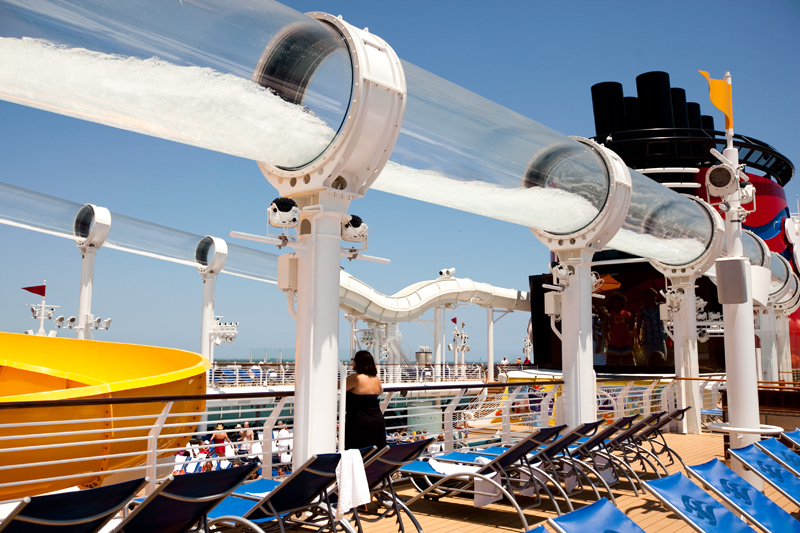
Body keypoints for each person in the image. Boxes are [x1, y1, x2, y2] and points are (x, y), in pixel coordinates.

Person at [343, 350, 387, 451]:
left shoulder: (356, 378)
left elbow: (336, 386)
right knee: (375, 456)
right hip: (377, 423)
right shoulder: (376, 379)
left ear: (358, 362)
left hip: (359, 424)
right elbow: (380, 392)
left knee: (356, 457)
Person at [636, 288, 668, 363]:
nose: (650, 298)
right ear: (646, 297)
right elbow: (639, 324)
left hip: (660, 339)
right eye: (648, 296)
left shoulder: (661, 306)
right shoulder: (642, 309)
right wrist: (639, 338)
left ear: (655, 297)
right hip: (648, 341)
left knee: (663, 361)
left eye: (652, 296)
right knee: (650, 362)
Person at [605, 294, 634, 366]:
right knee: (611, 366)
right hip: (614, 344)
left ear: (622, 303)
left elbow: (631, 328)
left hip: (626, 344)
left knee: (630, 366)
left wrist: (632, 319)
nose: (617, 304)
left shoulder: (626, 314)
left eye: (619, 302)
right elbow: (607, 330)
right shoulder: (610, 315)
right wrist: (605, 320)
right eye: (615, 302)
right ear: (612, 304)